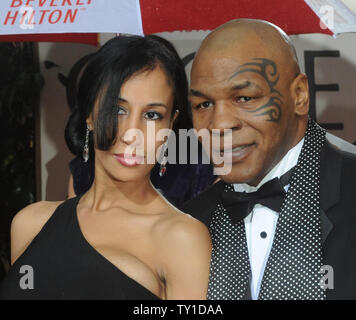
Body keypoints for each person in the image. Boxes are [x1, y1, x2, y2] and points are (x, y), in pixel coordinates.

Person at [0, 35, 212, 299]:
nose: (131, 133)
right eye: (117, 110)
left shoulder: (182, 238)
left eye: (152, 115)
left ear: (170, 126)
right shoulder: (29, 223)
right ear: (89, 114)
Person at [180, 19, 356, 300]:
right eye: (204, 105)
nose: (219, 124)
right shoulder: (190, 223)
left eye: (244, 98)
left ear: (299, 95)